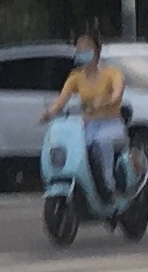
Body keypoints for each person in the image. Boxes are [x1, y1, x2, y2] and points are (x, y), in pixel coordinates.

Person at [47, 30, 130, 204]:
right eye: (79, 48)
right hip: (88, 126)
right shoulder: (75, 78)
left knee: (101, 142)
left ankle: (109, 185)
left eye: (86, 48)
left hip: (111, 124)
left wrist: (105, 101)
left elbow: (117, 93)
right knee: (76, 147)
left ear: (97, 51)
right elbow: (61, 100)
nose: (82, 51)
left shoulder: (111, 74)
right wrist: (48, 113)